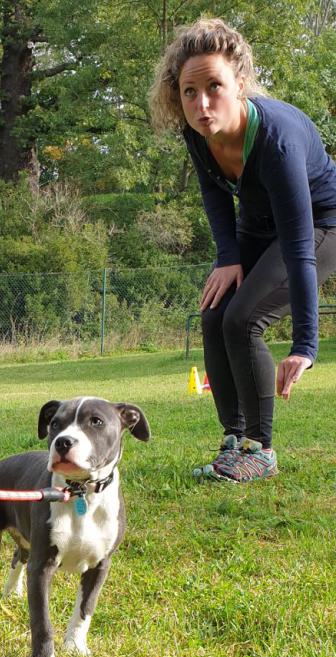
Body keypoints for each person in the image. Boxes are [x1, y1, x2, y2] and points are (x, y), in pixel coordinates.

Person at [149, 17, 336, 482]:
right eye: (190, 92)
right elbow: (215, 197)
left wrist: (305, 345)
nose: (202, 103)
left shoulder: (276, 139)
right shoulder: (196, 131)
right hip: (259, 226)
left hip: (322, 224)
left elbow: (298, 245)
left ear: (241, 84)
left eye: (215, 87)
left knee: (244, 318)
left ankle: (260, 449)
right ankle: (234, 442)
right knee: (215, 315)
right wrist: (227, 257)